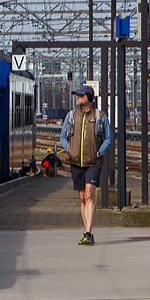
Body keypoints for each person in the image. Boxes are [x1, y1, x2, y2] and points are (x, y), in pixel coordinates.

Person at [58, 84, 112, 245]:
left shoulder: (100, 116)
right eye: (76, 95)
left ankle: (88, 232)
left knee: (89, 194)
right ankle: (87, 231)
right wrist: (70, 150)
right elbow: (62, 136)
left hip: (93, 162)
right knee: (82, 197)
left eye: (80, 95)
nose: (77, 97)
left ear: (89, 98)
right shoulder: (71, 116)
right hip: (76, 162)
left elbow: (108, 138)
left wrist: (99, 152)